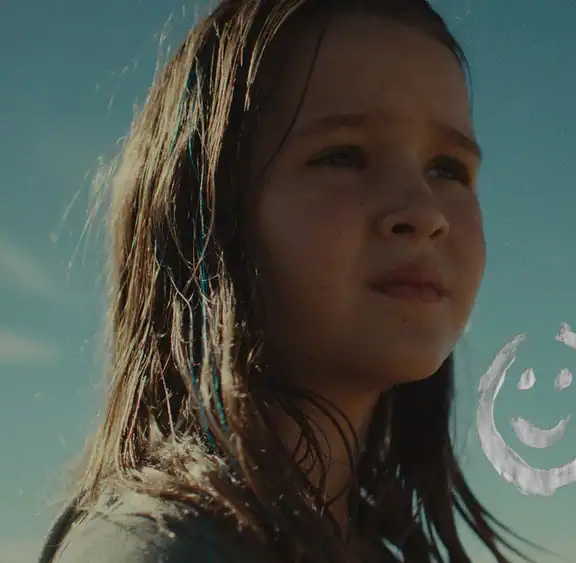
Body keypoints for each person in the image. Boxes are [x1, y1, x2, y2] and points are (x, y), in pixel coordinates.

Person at [38, 1, 538, 561]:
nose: (424, 211)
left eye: (447, 169)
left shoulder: (373, 547)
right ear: (204, 218)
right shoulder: (159, 548)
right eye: (343, 156)